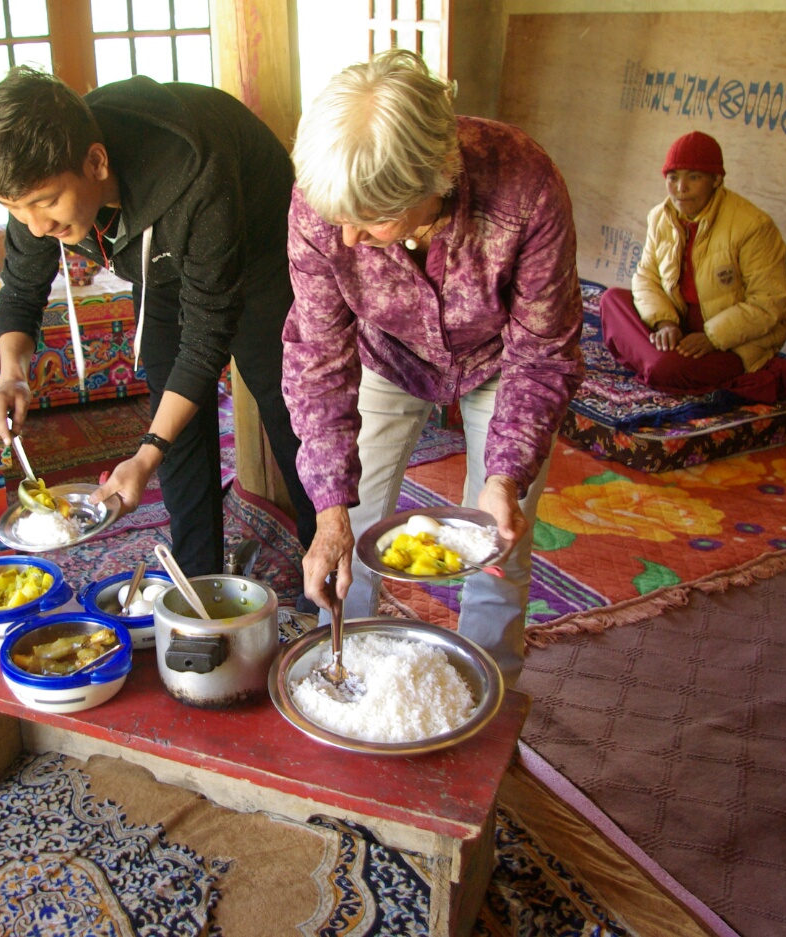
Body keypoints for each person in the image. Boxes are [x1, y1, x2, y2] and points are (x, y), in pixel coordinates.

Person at [282, 50, 583, 685]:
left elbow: (542, 351)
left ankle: (485, 695)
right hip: (386, 353)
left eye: (373, 223)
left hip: (501, 364)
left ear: (436, 181)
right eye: (339, 222)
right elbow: (317, 355)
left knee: (499, 539)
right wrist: (329, 509)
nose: (349, 243)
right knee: (350, 531)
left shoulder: (525, 187)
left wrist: (504, 479)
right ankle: (345, 675)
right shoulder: (325, 202)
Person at [0, 66, 317, 579]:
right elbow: (21, 292)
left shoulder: (196, 170)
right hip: (163, 263)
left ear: (95, 161)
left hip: (262, 252)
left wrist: (146, 453)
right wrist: (11, 377)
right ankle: (199, 585)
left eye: (45, 204)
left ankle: (329, 569)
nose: (36, 225)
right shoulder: (36, 180)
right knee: (171, 414)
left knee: (289, 408)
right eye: (15, 209)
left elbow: (205, 341)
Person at [599, 131, 786, 402]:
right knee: (611, 300)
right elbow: (646, 276)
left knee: (666, 369)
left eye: (694, 177)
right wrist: (665, 323)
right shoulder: (660, 217)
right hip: (679, 326)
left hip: (733, 341)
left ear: (716, 180)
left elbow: (768, 304)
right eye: (673, 177)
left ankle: (657, 364)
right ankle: (658, 361)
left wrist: (713, 337)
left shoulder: (753, 226)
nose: (681, 188)